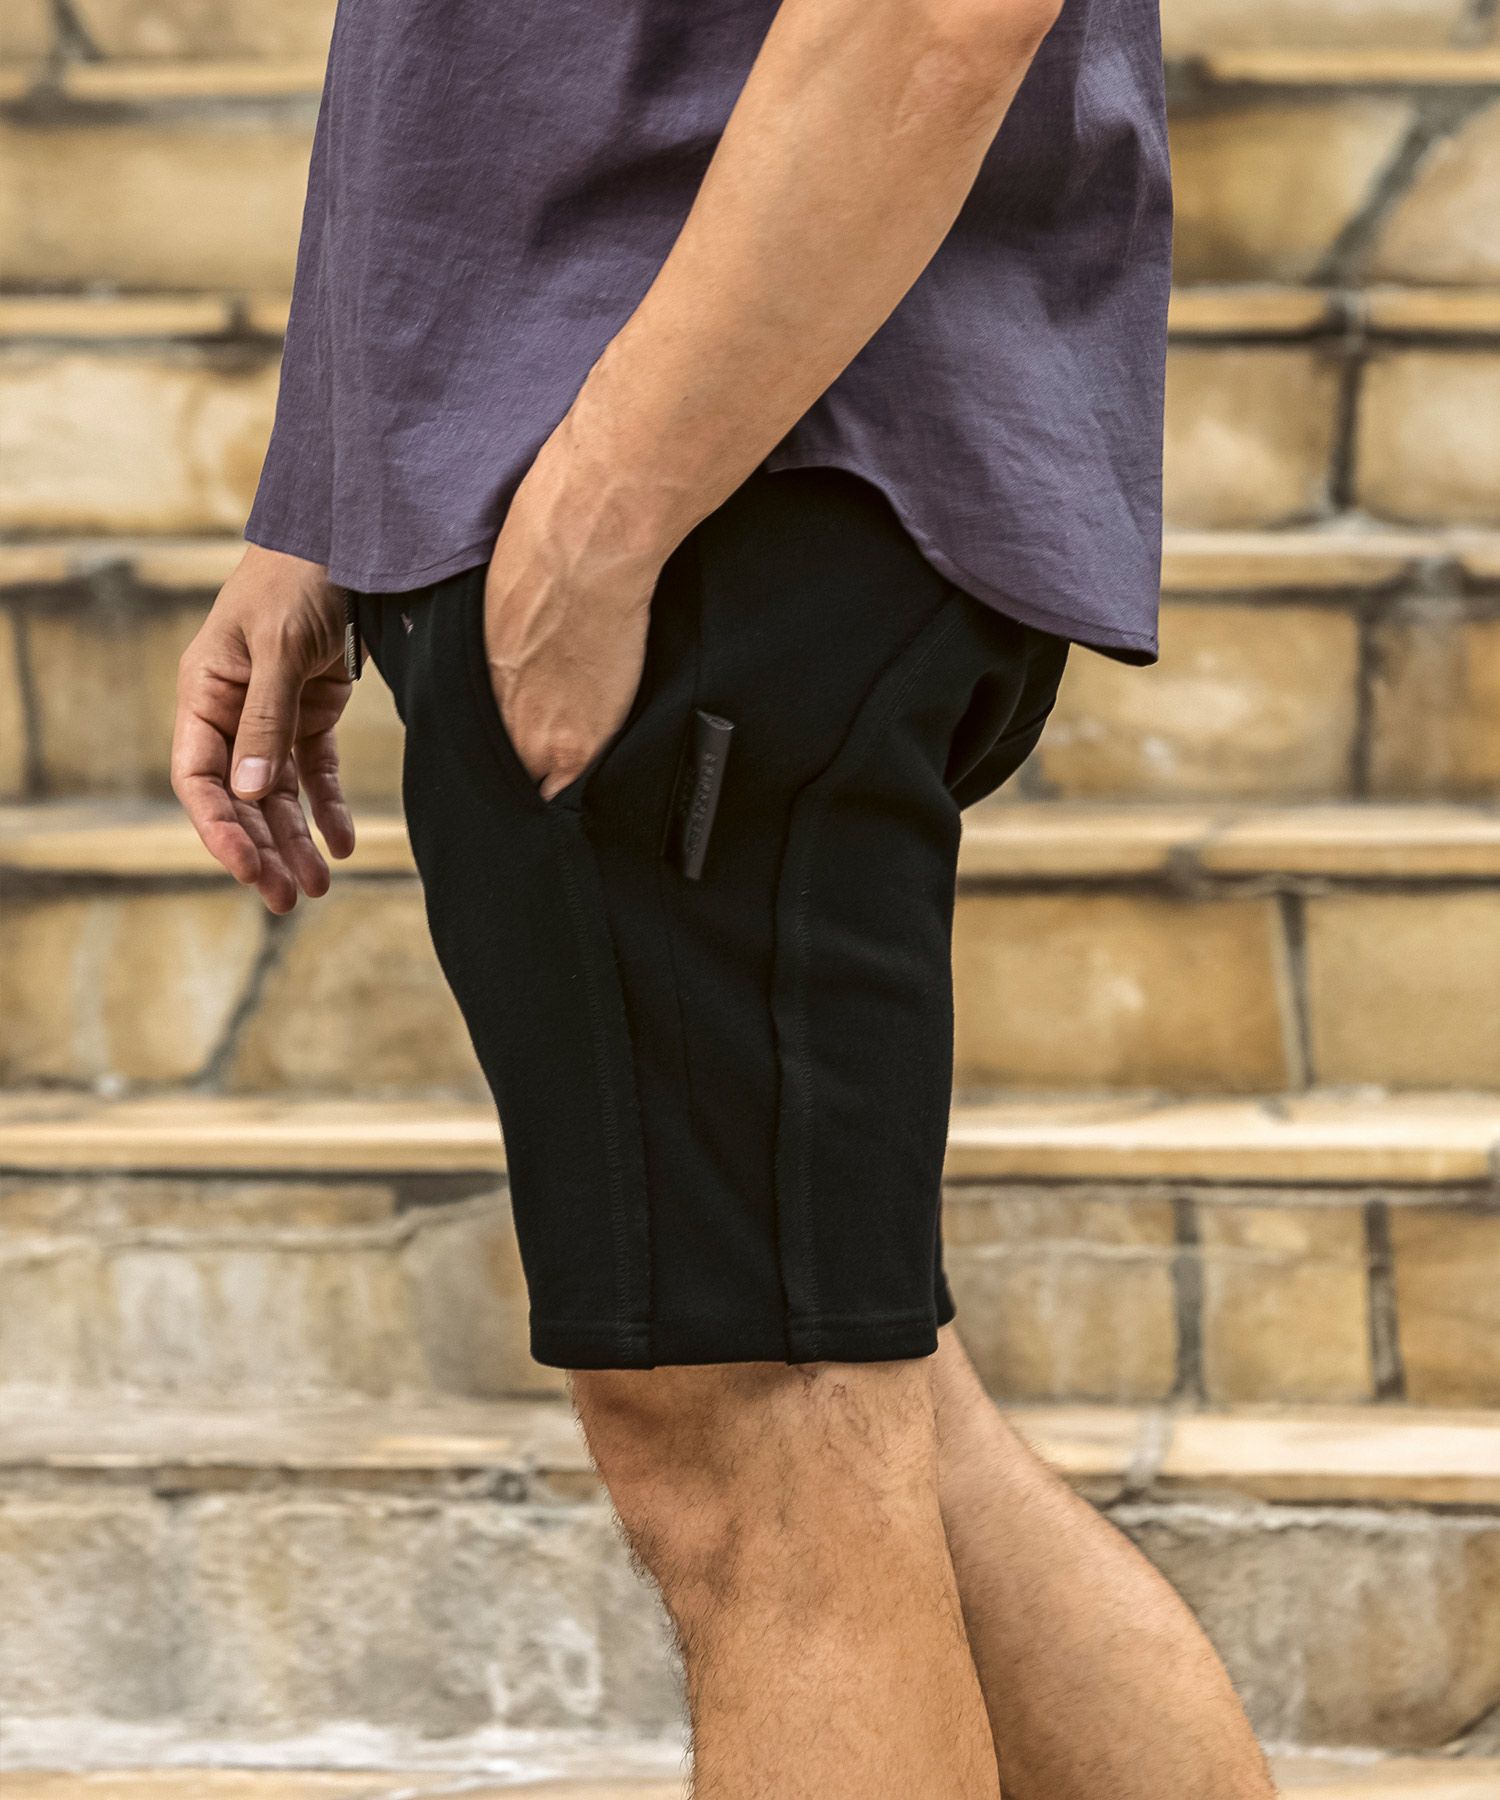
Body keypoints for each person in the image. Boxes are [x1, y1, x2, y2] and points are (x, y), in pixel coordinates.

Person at [172, 0, 1276, 1792]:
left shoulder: (646, 504)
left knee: (758, 1458)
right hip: (655, 474)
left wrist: (605, 511)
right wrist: (325, 504)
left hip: (716, 481)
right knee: (860, 1405)